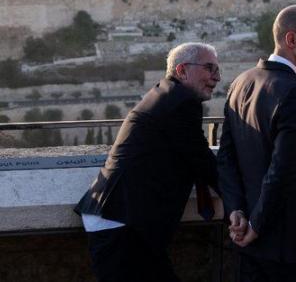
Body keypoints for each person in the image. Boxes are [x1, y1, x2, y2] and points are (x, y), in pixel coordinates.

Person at [74, 42, 221, 282]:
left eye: (217, 71)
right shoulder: (182, 101)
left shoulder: (166, 93)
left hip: (118, 216)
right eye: (209, 68)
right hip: (121, 220)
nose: (216, 78)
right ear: (182, 70)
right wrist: (241, 202)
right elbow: (202, 159)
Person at [218, 5, 296, 282]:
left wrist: (237, 213)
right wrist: (257, 224)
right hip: (287, 244)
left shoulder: (240, 83)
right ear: (292, 40)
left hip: (246, 242)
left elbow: (226, 159)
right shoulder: (295, 93)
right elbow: (283, 170)